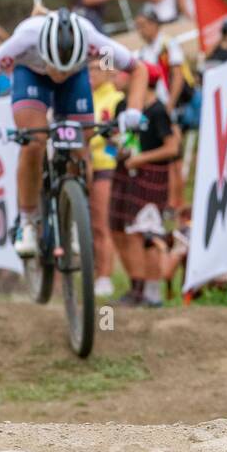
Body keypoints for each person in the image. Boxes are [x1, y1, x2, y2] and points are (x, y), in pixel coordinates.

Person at [0, 8, 148, 257]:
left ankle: (75, 215)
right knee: (33, 142)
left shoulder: (95, 41)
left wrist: (133, 110)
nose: (59, 75)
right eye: (56, 67)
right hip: (30, 76)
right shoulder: (23, 41)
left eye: (65, 69)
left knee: (81, 146)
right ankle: (27, 221)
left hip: (77, 81)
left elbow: (138, 70)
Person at [109, 66, 180, 308]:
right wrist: (116, 147)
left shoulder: (158, 111)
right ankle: (137, 287)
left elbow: (172, 148)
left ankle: (148, 292)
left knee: (144, 234)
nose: (114, 76)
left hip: (150, 176)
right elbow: (118, 139)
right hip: (125, 173)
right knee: (119, 229)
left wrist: (142, 158)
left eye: (120, 73)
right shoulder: (121, 107)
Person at [88, 60, 124, 299]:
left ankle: (105, 276)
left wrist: (105, 154)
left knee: (102, 225)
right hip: (83, 166)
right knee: (89, 226)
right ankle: (94, 274)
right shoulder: (83, 98)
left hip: (105, 168)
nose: (91, 74)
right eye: (88, 69)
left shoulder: (116, 99)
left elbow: (120, 137)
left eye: (97, 69)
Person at [134, 4, 185, 107]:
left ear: (154, 24)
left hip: (176, 104)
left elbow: (178, 76)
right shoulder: (142, 52)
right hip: (159, 104)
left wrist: (170, 105)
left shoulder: (168, 44)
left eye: (142, 25)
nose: (140, 31)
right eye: (137, 27)